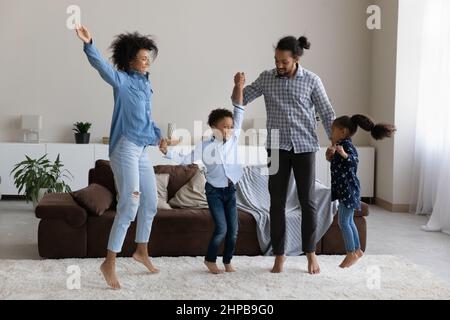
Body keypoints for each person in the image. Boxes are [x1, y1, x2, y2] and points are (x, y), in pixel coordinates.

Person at [232, 36, 336, 274]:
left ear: (296, 59)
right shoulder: (268, 78)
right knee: (276, 203)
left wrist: (336, 143)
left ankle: (310, 253)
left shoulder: (311, 80)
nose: (279, 65)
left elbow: (327, 113)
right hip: (276, 146)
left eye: (284, 62)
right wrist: (238, 85)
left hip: (305, 147)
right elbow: (241, 100)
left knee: (307, 201)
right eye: (276, 61)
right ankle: (279, 255)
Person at [76, 26, 163, 289]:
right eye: (143, 58)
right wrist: (90, 42)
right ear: (129, 62)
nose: (148, 62)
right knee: (130, 206)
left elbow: (147, 119)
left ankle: (141, 251)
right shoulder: (122, 81)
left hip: (142, 150)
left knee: (151, 203)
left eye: (149, 57)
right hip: (124, 149)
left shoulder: (146, 85)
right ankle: (109, 262)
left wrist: (160, 137)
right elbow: (101, 66)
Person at [160, 73, 246, 274]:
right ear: (213, 127)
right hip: (214, 192)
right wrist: (166, 151)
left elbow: (239, 110)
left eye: (231, 127)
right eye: (225, 127)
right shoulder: (204, 146)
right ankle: (209, 260)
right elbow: (186, 159)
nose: (229, 130)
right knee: (222, 229)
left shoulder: (234, 138)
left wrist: (239, 86)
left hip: (230, 190)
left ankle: (227, 261)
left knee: (234, 231)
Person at [326, 115, 396, 267]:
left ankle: (351, 252)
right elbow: (339, 166)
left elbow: (353, 161)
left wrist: (343, 154)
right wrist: (330, 157)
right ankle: (357, 251)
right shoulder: (340, 144)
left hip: (348, 190)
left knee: (343, 222)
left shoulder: (346, 146)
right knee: (349, 221)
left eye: (333, 130)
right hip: (345, 189)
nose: (331, 133)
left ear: (343, 131)